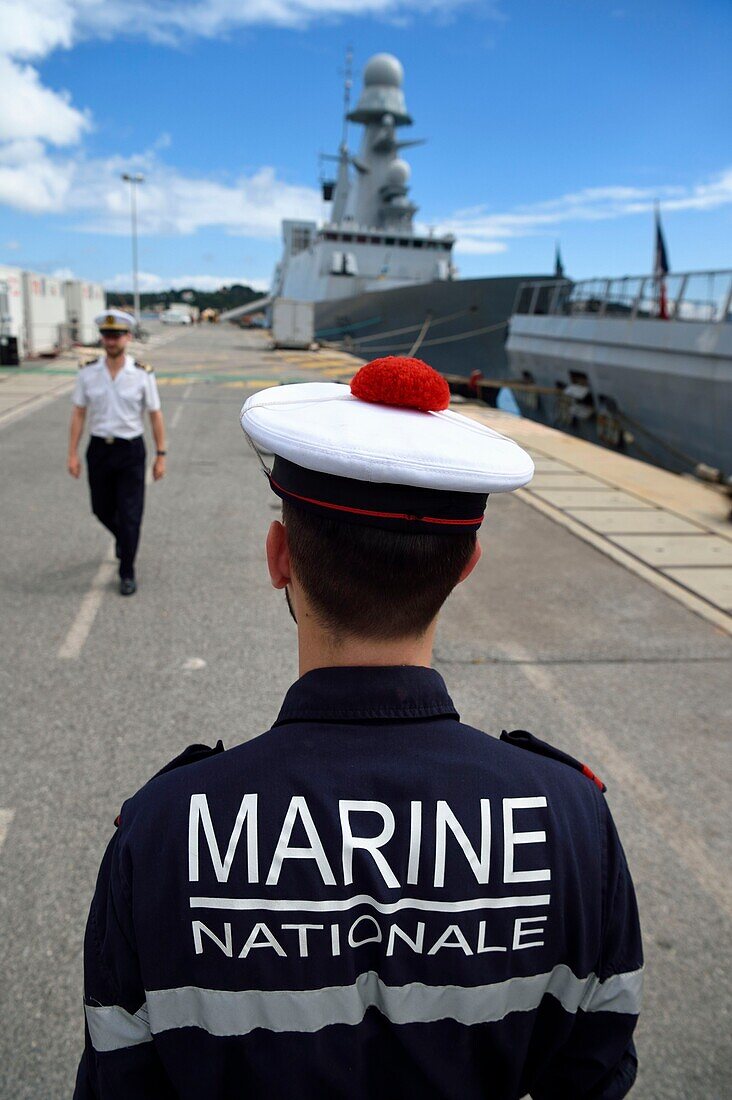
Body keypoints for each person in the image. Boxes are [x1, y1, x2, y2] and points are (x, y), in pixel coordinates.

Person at [74, 357, 642, 1098]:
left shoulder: (159, 831)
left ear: (280, 559)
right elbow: (595, 1074)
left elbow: (121, 1080)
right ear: (467, 564)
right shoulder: (574, 822)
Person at [67, 309, 166, 596]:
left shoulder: (141, 374)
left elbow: (155, 415)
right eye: (107, 335)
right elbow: (78, 413)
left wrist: (161, 455)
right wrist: (72, 454)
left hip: (130, 450)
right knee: (101, 508)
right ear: (102, 338)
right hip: (98, 449)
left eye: (117, 335)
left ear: (128, 337)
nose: (111, 341)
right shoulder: (87, 372)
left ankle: (127, 571)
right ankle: (124, 538)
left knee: (131, 514)